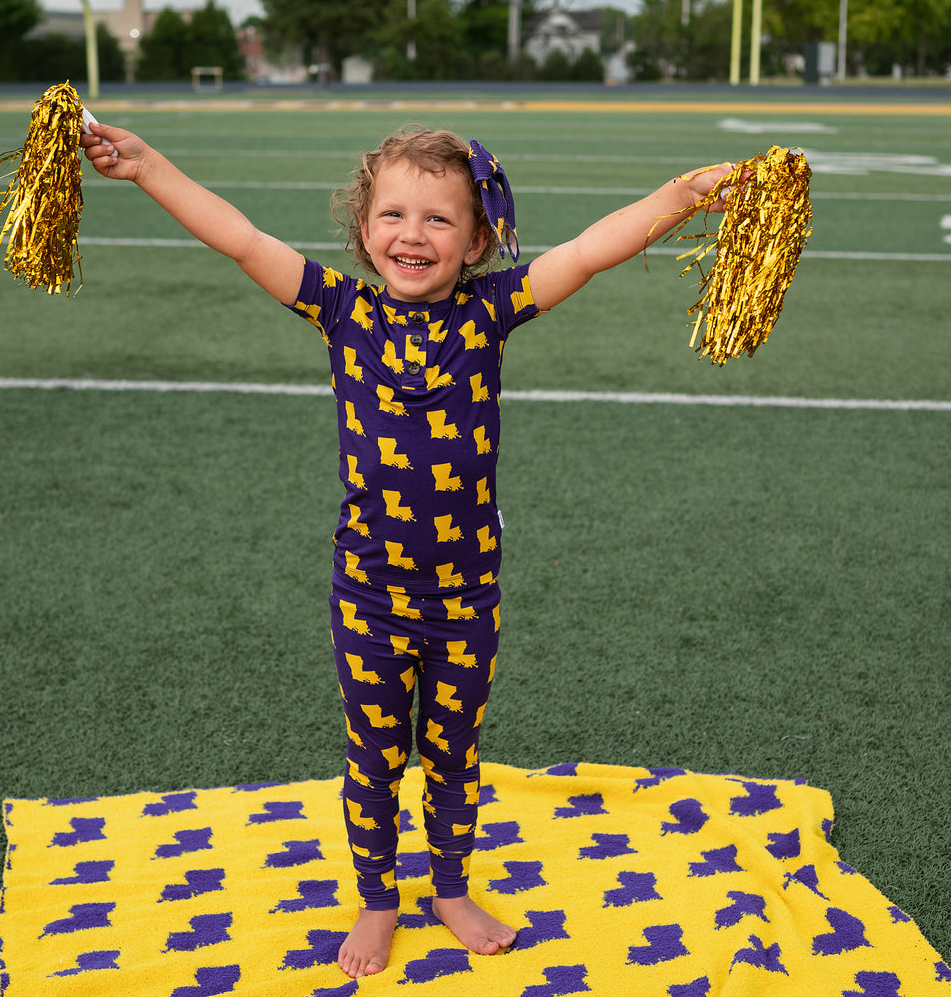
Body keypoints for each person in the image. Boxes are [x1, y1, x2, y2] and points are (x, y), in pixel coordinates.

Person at [80, 120, 735, 979]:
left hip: (465, 602)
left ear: (476, 240)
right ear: (362, 229)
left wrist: (680, 196)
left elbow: (586, 251)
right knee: (375, 761)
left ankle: (451, 887)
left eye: (438, 220)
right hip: (369, 598)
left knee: (456, 756)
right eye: (392, 215)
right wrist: (149, 168)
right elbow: (239, 237)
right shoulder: (339, 309)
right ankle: (379, 898)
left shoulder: (490, 311)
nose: (412, 236)